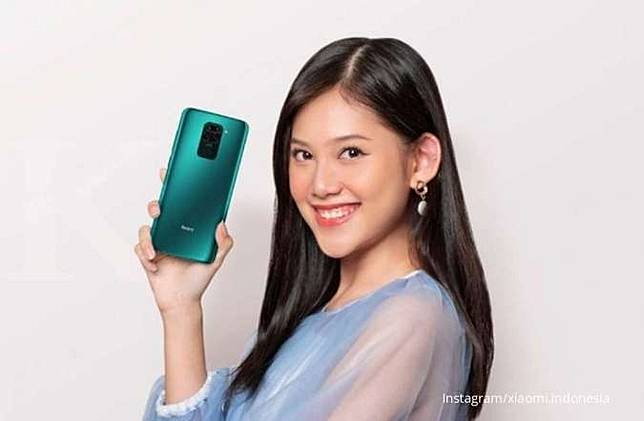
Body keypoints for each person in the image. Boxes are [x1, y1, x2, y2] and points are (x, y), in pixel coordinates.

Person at [135, 37, 494, 421]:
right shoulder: (313, 318)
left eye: (351, 152)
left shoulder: (411, 317)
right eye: (303, 155)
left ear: (421, 161)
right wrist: (181, 308)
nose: (320, 185)